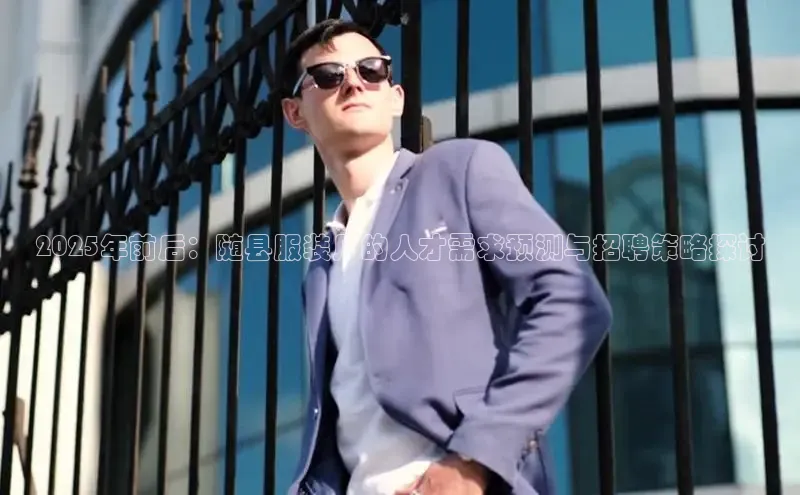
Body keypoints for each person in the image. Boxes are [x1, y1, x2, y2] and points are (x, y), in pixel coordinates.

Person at [280, 18, 612, 495]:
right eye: (329, 75)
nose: (353, 83)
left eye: (371, 69)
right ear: (295, 113)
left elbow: (572, 299)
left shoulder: (458, 170)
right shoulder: (322, 262)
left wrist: (473, 461)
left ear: (396, 97)